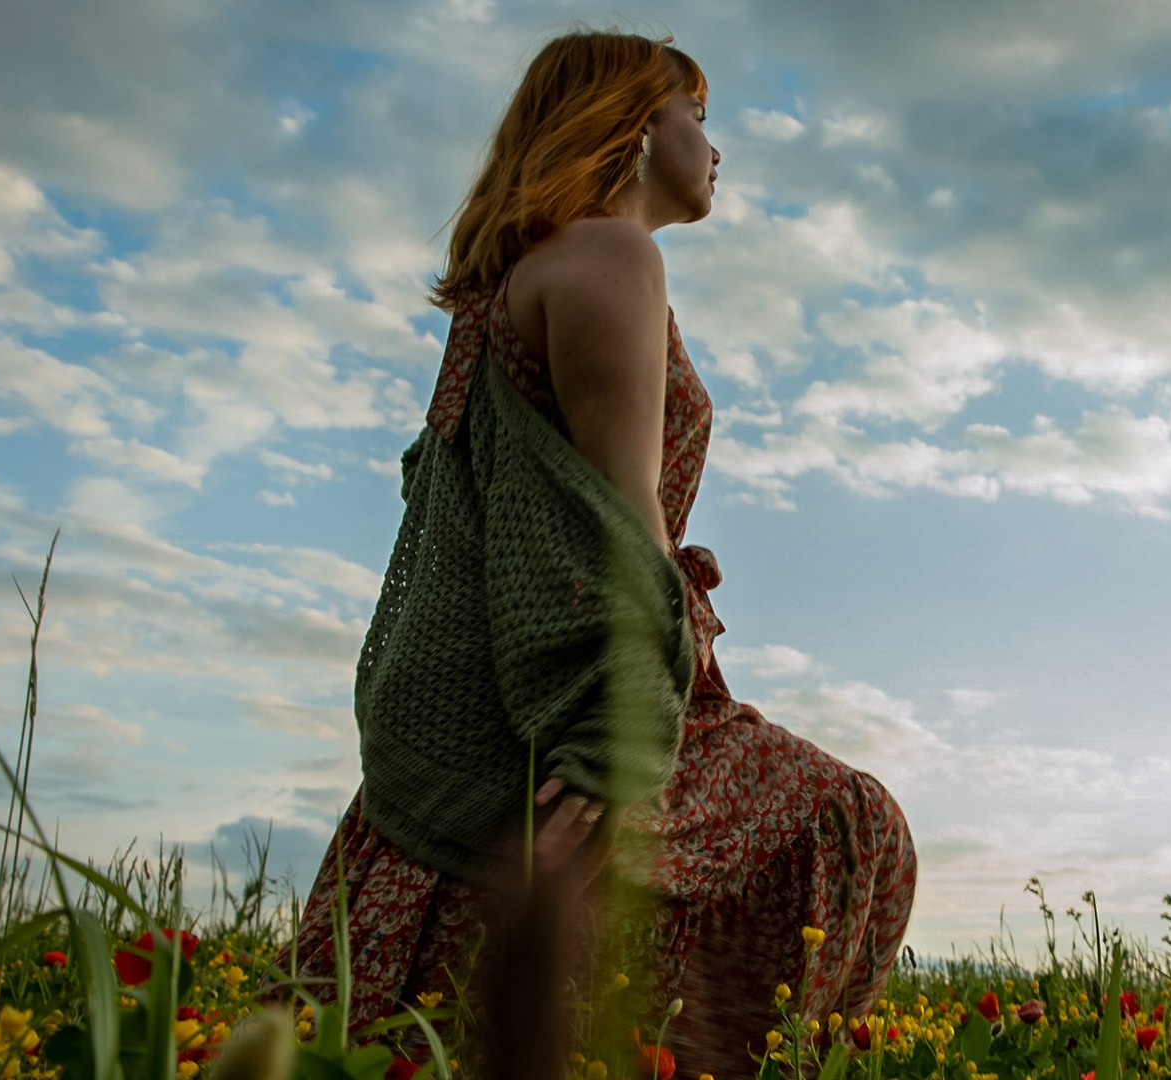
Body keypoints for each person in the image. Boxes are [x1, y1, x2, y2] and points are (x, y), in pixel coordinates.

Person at [258, 29, 918, 1080]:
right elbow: (620, 519)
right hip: (579, 694)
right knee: (848, 824)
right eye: (697, 113)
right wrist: (615, 741)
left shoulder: (511, 280)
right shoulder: (612, 254)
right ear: (637, 124)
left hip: (505, 697)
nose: (714, 144)